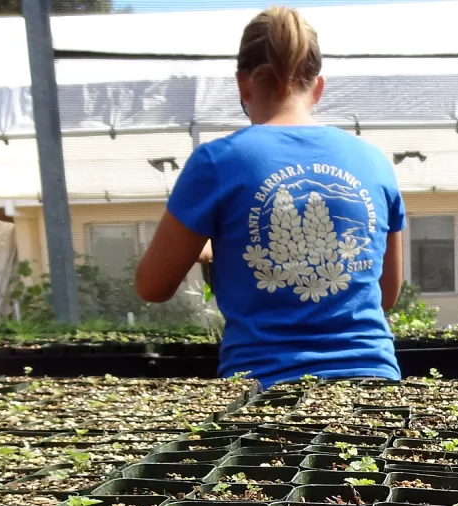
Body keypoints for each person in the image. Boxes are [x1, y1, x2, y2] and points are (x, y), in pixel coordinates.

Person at [134, 6, 404, 388]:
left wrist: (207, 246)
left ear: (243, 85)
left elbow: (152, 286)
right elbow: (385, 295)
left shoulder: (217, 163)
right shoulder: (374, 162)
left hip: (263, 392)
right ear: (318, 87)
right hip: (373, 384)